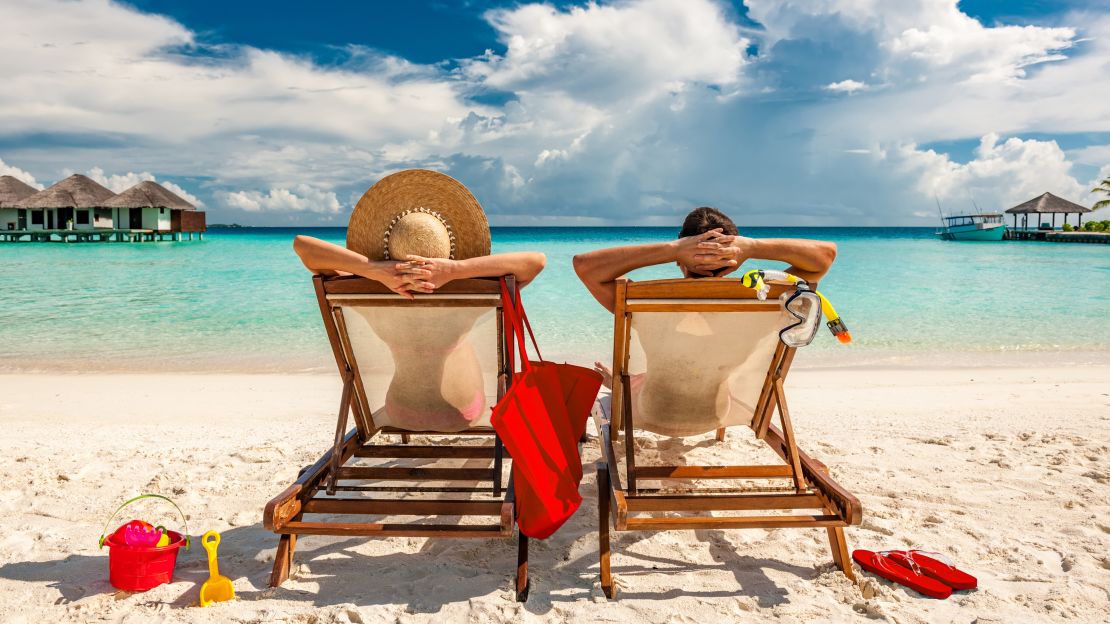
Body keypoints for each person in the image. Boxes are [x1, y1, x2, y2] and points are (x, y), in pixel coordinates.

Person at [293, 169, 545, 431]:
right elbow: (536, 261)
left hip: (401, 412)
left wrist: (376, 271)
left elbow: (303, 246)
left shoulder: (367, 294)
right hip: (462, 414)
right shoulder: (473, 295)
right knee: (461, 346)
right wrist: (453, 271)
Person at [572, 206, 837, 436]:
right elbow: (823, 259)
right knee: (694, 364)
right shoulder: (760, 303)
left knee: (667, 367)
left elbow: (585, 267)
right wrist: (753, 247)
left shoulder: (642, 302)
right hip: (716, 413)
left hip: (653, 411)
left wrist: (674, 250)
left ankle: (617, 384)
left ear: (681, 259)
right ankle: (624, 383)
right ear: (734, 259)